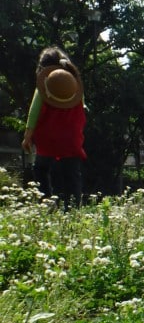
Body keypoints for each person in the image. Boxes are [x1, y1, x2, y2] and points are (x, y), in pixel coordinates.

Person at [21, 46, 86, 211]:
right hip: (71, 140)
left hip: (48, 139)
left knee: (40, 169)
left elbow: (34, 112)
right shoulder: (73, 84)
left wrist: (28, 136)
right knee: (72, 175)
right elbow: (83, 108)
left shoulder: (45, 84)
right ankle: (73, 210)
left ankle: (47, 203)